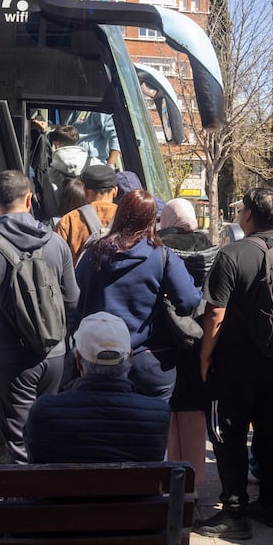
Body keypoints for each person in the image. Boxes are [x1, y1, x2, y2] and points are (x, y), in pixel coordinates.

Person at [24, 312, 169, 545]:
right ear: (128, 357)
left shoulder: (44, 412)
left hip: (56, 535)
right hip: (135, 536)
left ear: (78, 361)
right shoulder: (156, 414)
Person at [194, 187, 273, 540]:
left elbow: (215, 312)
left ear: (248, 215)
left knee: (230, 435)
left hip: (236, 363)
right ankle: (270, 504)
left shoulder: (232, 254)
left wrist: (204, 356)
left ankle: (234, 510)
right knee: (272, 434)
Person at [0, 169, 79, 464]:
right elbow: (73, 300)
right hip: (55, 356)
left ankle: (25, 506)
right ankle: (47, 502)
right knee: (48, 435)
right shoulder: (57, 242)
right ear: (30, 199)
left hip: (13, 359)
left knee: (19, 443)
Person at [72, 189, 201, 401]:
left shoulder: (92, 254)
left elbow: (74, 299)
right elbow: (189, 300)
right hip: (148, 359)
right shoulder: (160, 256)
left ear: (119, 213)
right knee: (152, 427)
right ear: (152, 220)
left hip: (94, 360)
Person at [159, 198, 219, 489]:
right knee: (195, 413)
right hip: (200, 339)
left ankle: (172, 481)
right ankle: (193, 485)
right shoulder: (212, 248)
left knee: (170, 414)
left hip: (167, 339)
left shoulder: (159, 248)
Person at [55, 163, 119, 265]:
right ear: (115, 191)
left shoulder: (68, 221)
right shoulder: (129, 216)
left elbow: (58, 263)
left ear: (85, 191)